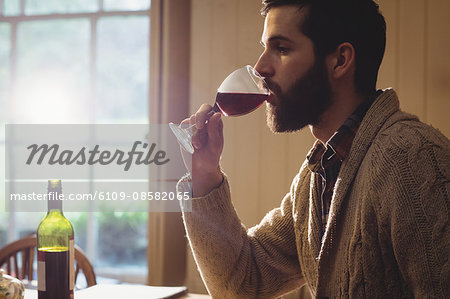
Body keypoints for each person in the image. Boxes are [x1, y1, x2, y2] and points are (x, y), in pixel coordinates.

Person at [177, 0, 450, 298]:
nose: (260, 67)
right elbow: (242, 283)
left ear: (340, 60)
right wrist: (204, 173)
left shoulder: (412, 159)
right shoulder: (319, 174)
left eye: (281, 49)